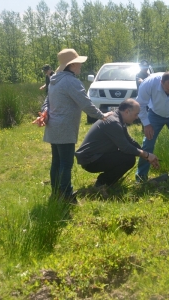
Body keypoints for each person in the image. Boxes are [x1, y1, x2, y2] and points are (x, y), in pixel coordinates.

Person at [33, 49, 112, 202]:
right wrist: (101, 116)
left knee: (57, 161)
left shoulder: (54, 80)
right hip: (64, 128)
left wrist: (45, 112)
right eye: (79, 63)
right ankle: (66, 195)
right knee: (66, 163)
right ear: (72, 65)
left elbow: (46, 102)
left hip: (54, 127)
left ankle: (56, 193)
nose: (80, 66)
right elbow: (85, 103)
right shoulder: (71, 81)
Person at [75, 99, 160, 187]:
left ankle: (106, 182)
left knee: (128, 156)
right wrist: (146, 155)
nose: (137, 117)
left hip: (96, 156)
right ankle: (102, 183)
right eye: (136, 114)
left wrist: (147, 156)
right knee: (128, 159)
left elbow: (130, 141)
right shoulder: (113, 122)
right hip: (90, 160)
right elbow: (126, 147)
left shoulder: (118, 119)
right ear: (127, 111)